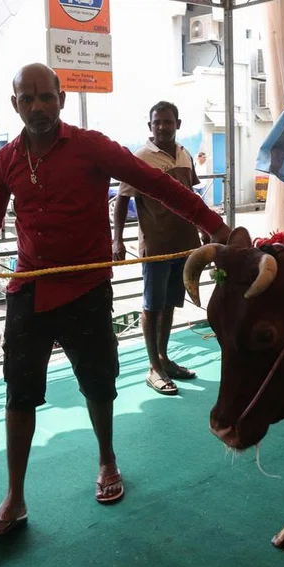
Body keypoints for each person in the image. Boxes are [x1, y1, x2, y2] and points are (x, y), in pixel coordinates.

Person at [0, 63, 231, 538]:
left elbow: (160, 185)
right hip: (29, 288)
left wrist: (218, 228)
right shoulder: (4, 161)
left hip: (86, 289)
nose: (38, 106)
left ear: (60, 99)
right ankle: (14, 497)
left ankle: (107, 460)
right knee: (19, 393)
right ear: (15, 105)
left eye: (46, 96)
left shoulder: (92, 146)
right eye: (27, 98)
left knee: (99, 385)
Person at [112, 102, 206, 396]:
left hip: (184, 245)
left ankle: (163, 358)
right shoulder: (139, 159)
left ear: (178, 124)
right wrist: (117, 239)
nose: (163, 127)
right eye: (157, 122)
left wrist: (205, 229)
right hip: (156, 247)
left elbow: (192, 197)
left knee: (169, 304)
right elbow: (122, 200)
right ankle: (153, 367)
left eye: (168, 121)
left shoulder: (185, 155)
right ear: (150, 126)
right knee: (152, 306)